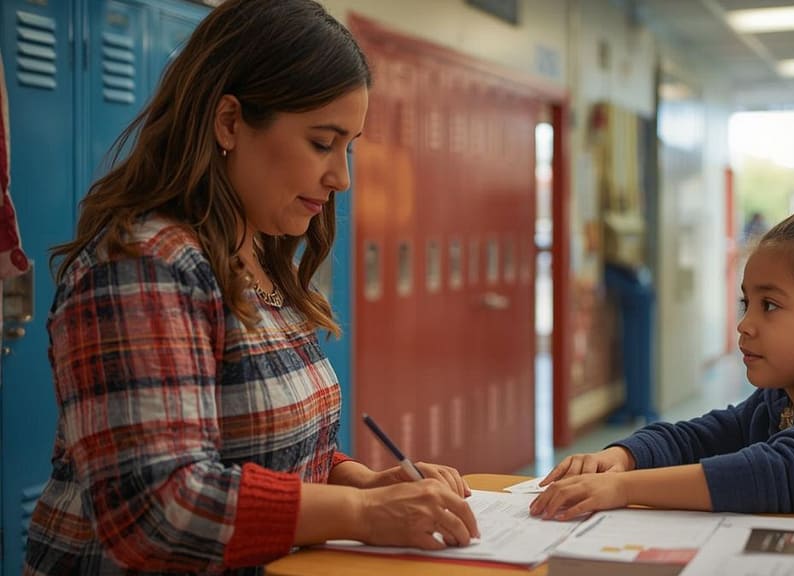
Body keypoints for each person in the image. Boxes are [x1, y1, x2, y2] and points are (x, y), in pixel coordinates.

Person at [23, 1, 478, 574]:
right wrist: (361, 514)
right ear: (230, 122)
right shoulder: (144, 266)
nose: (341, 178)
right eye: (322, 143)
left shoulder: (259, 256)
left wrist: (362, 483)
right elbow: (158, 510)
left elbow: (265, 449)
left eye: (349, 147)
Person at [530, 156, 794, 520]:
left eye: (769, 305)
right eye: (746, 303)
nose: (745, 325)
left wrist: (624, 488)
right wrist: (623, 457)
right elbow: (700, 437)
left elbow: (781, 471)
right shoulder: (783, 396)